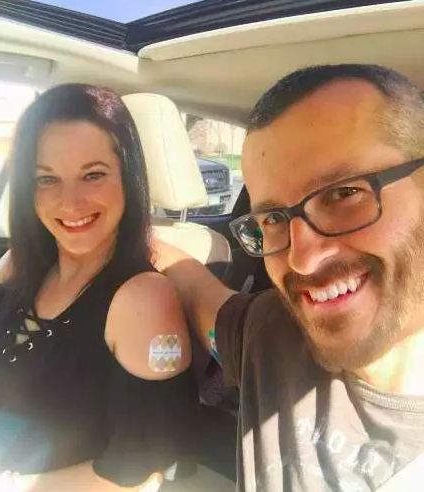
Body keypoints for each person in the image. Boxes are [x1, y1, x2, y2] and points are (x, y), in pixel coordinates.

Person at [152, 64, 424, 492]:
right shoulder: (272, 332)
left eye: (344, 193)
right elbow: (192, 285)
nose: (303, 260)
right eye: (274, 219)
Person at [0, 84, 200, 491]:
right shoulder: (20, 264)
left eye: (93, 175)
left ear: (128, 178)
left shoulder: (144, 300)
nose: (70, 202)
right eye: (47, 179)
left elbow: (140, 476)